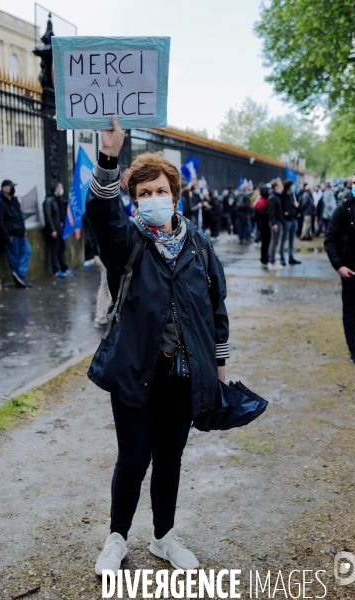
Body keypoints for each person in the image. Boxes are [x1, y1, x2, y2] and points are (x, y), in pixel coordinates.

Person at [86, 116, 230, 575]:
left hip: (184, 376)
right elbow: (101, 216)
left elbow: (217, 309)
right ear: (135, 201)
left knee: (169, 459)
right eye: (143, 193)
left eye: (160, 191)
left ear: (175, 194)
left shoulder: (200, 247)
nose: (152, 199)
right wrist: (109, 157)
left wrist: (219, 368)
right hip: (135, 373)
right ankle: (116, 538)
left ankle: (164, 537)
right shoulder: (126, 242)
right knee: (133, 460)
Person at [324, 168, 355, 367]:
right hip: (351, 270)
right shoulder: (344, 208)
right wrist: (339, 266)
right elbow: (330, 239)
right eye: (354, 183)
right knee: (350, 311)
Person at [0, 179, 32, 288]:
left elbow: (21, 216)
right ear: (4, 188)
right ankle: (20, 280)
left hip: (20, 232)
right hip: (11, 234)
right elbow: (0, 221)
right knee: (14, 257)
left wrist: (24, 229)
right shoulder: (0, 202)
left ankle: (19, 275)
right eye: (10, 187)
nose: (12, 189)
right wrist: (7, 235)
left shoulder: (14, 200)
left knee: (27, 251)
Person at [43, 182, 76, 278]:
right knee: (54, 249)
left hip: (61, 229)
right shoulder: (48, 201)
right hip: (54, 230)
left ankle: (64, 268)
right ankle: (56, 270)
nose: (62, 189)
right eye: (61, 187)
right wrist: (52, 229)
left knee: (62, 248)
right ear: (56, 188)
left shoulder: (58, 199)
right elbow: (48, 216)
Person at [279, 180, 301, 266]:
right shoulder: (283, 196)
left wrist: (296, 206)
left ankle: (291, 257)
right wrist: (285, 212)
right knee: (284, 240)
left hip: (293, 219)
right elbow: (281, 207)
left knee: (292, 240)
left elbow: (297, 207)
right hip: (286, 220)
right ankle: (282, 258)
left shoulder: (293, 195)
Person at [267, 179, 284, 270]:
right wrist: (274, 223)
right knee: (274, 242)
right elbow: (271, 212)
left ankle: (272, 261)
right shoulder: (273, 197)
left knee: (275, 242)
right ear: (276, 186)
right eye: (280, 184)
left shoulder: (275, 196)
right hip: (276, 222)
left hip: (277, 221)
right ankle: (272, 262)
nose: (282, 186)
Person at [254, 185, 271, 267]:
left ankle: (265, 258)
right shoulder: (262, 201)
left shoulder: (263, 200)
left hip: (263, 224)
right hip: (263, 224)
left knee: (266, 242)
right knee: (265, 242)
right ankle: (264, 258)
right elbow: (261, 214)